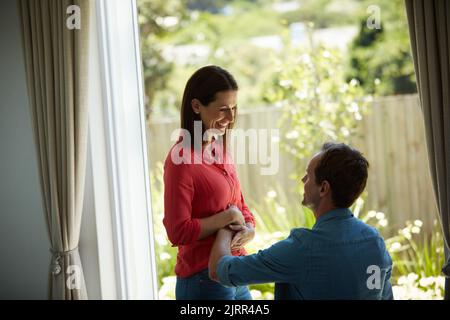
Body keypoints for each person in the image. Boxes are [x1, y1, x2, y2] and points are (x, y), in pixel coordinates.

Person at [209, 142, 393, 300]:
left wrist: (227, 221)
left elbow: (220, 271)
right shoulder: (375, 242)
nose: (303, 179)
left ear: (323, 188)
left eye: (308, 175)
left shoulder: (302, 249)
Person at [163, 65, 256, 300]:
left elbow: (239, 205)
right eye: (223, 109)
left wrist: (249, 227)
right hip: (203, 281)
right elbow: (177, 231)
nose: (231, 118)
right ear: (196, 106)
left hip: (236, 271)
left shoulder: (219, 147)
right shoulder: (180, 161)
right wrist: (226, 218)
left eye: (234, 108)